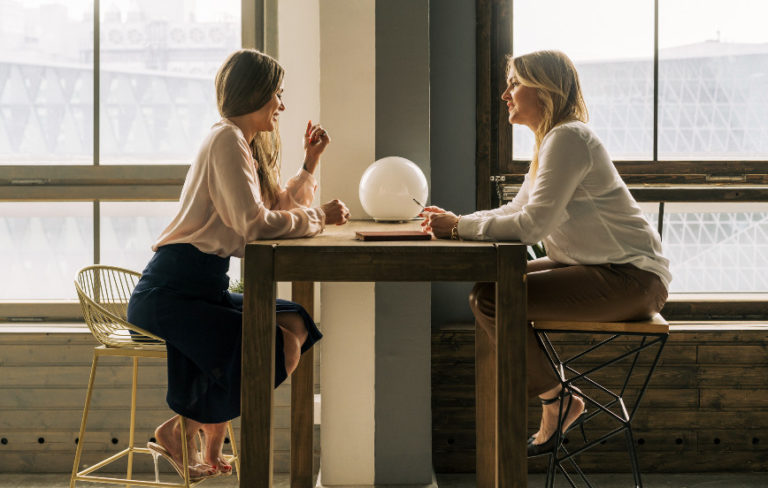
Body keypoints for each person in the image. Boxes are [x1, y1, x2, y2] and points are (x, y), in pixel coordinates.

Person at [422, 50, 671, 457]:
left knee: (490, 298)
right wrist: (457, 222)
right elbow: (515, 211)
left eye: (515, 83)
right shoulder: (554, 140)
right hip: (600, 268)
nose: (506, 94)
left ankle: (557, 399)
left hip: (632, 280)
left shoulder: (568, 138)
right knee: (487, 292)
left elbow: (531, 227)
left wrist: (459, 228)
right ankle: (556, 397)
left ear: (546, 90)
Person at [127, 49, 350, 480]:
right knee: (274, 344)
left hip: (202, 287)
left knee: (296, 324)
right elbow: (255, 227)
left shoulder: (241, 144)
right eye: (277, 96)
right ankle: (185, 430)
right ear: (257, 93)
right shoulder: (225, 139)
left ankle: (199, 430)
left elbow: (271, 209)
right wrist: (318, 216)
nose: (282, 106)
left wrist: (309, 163)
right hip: (171, 292)